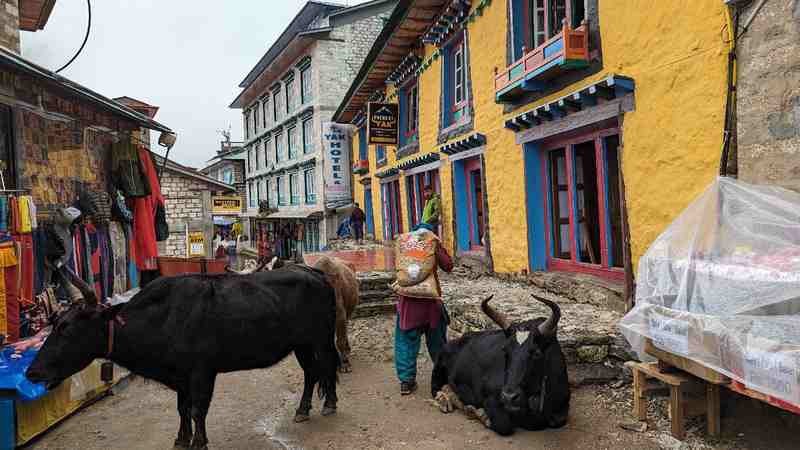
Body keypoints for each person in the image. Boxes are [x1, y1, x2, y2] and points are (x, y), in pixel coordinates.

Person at [392, 227, 453, 395]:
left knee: (405, 343)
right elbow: (448, 265)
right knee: (438, 343)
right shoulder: (433, 243)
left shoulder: (404, 245)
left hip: (407, 306)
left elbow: (399, 268)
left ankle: (406, 382)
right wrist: (439, 246)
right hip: (430, 304)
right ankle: (444, 378)